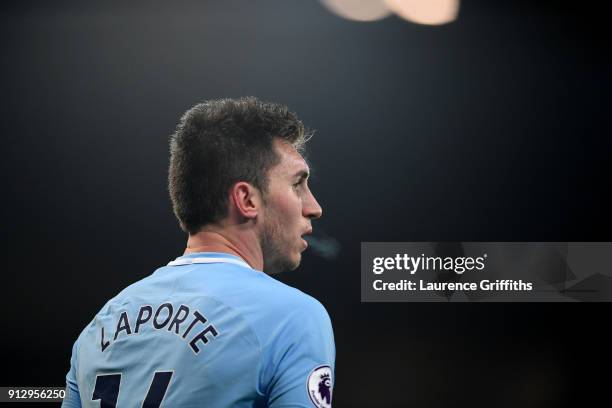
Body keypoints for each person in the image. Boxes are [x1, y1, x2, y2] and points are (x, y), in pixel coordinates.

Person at [62, 97, 335, 408]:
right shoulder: (293, 317)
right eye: (297, 184)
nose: (314, 207)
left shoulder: (101, 325)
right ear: (246, 199)